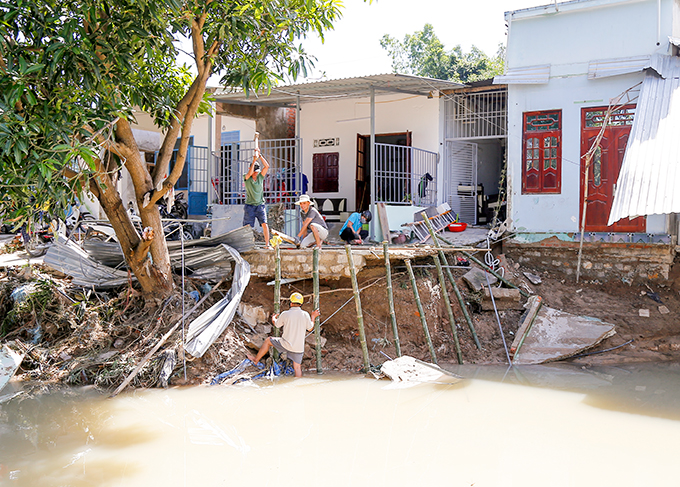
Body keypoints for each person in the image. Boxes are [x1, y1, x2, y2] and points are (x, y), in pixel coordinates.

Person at [248, 292, 320, 378]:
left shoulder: (285, 314)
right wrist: (313, 317)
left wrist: (274, 318)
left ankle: (256, 360)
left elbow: (277, 325)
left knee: (268, 340)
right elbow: (310, 328)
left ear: (291, 303)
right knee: (297, 368)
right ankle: (298, 384)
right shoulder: (305, 314)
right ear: (301, 304)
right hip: (298, 348)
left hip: (285, 344)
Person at [243, 148, 270, 247]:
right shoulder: (247, 178)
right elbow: (249, 174)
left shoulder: (260, 177)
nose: (255, 173)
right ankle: (247, 244)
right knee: (247, 227)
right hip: (249, 205)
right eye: (254, 171)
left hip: (260, 205)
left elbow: (267, 166)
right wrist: (254, 160)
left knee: (264, 224)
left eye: (256, 171)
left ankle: (267, 244)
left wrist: (260, 156)